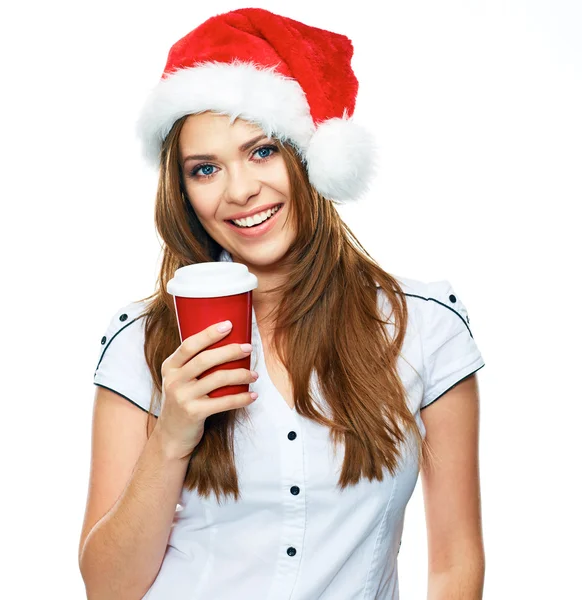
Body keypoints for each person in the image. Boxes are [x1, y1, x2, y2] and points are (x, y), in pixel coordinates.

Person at [78, 8, 486, 600]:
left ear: (310, 157)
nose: (240, 190)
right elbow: (107, 589)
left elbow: (455, 564)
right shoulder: (140, 343)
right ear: (184, 190)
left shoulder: (423, 329)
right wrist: (171, 436)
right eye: (206, 168)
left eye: (263, 151)